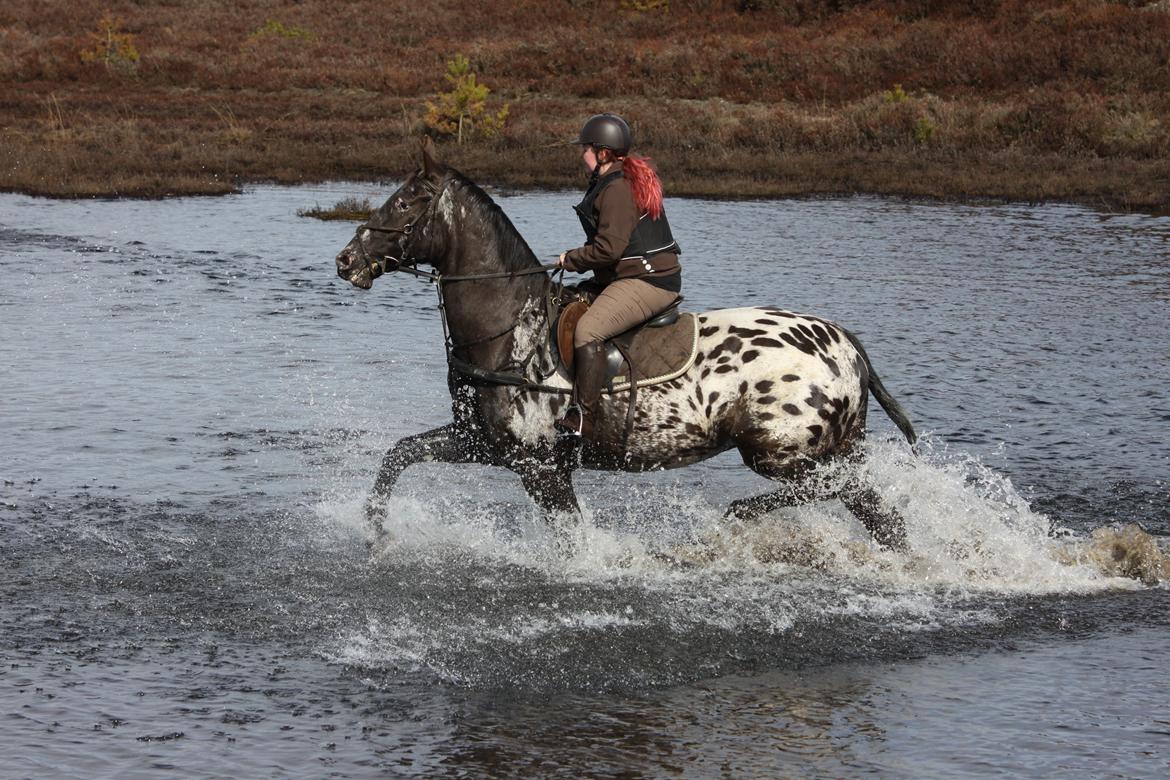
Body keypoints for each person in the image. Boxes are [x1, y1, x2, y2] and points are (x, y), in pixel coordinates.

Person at [556, 113, 682, 438]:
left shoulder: (618, 188)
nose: (580, 155)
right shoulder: (615, 179)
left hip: (647, 282)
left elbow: (608, 250)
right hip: (629, 275)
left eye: (585, 149)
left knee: (587, 330)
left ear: (602, 153)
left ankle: (584, 418)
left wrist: (570, 259)